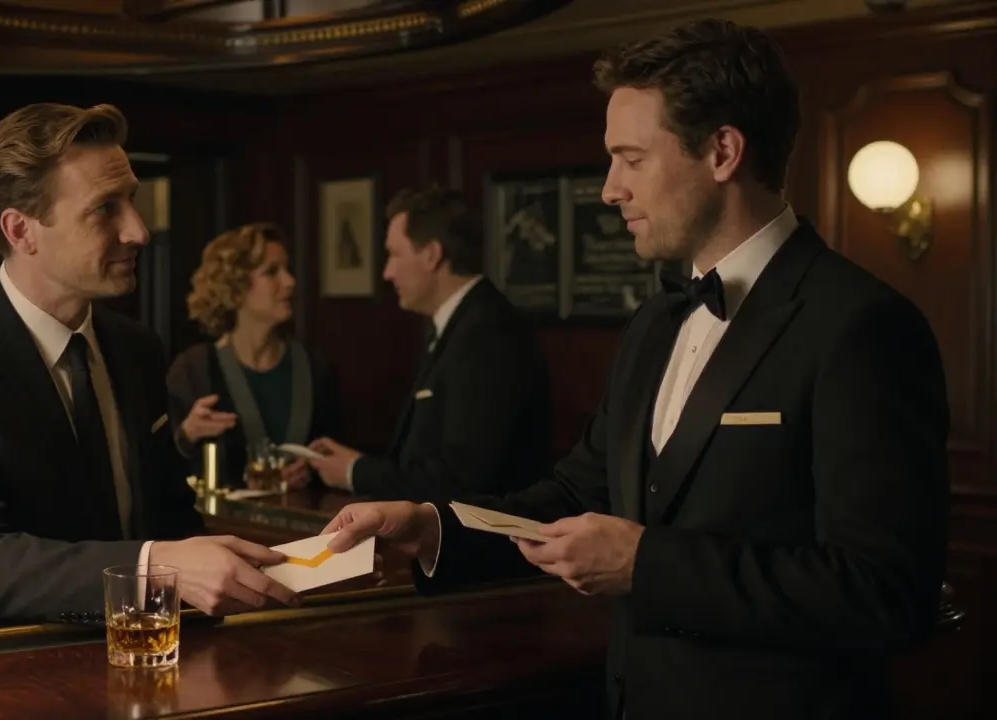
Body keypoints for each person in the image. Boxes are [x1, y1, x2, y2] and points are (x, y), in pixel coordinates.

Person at [319, 19, 949, 720]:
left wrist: (647, 564)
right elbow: (573, 493)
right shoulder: (656, 321)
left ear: (722, 151)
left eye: (631, 158)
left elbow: (885, 593)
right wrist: (433, 526)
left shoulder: (859, 324)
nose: (609, 189)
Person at [0, 103, 299, 636]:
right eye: (106, 209)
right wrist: (152, 569)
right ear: (21, 230)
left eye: (133, 202)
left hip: (146, 658)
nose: (140, 231)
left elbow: (171, 519)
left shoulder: (138, 349)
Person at [306, 185, 550, 503]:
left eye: (394, 254)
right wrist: (349, 463)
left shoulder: (487, 334)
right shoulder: (463, 324)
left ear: (432, 255)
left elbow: (462, 477)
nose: (387, 272)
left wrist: (355, 470)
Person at [167, 222, 342, 489]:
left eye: (287, 270)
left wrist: (311, 472)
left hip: (304, 525)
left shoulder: (314, 367)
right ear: (235, 287)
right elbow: (158, 469)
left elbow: (334, 454)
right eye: (272, 272)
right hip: (222, 528)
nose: (290, 282)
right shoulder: (194, 370)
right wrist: (187, 435)